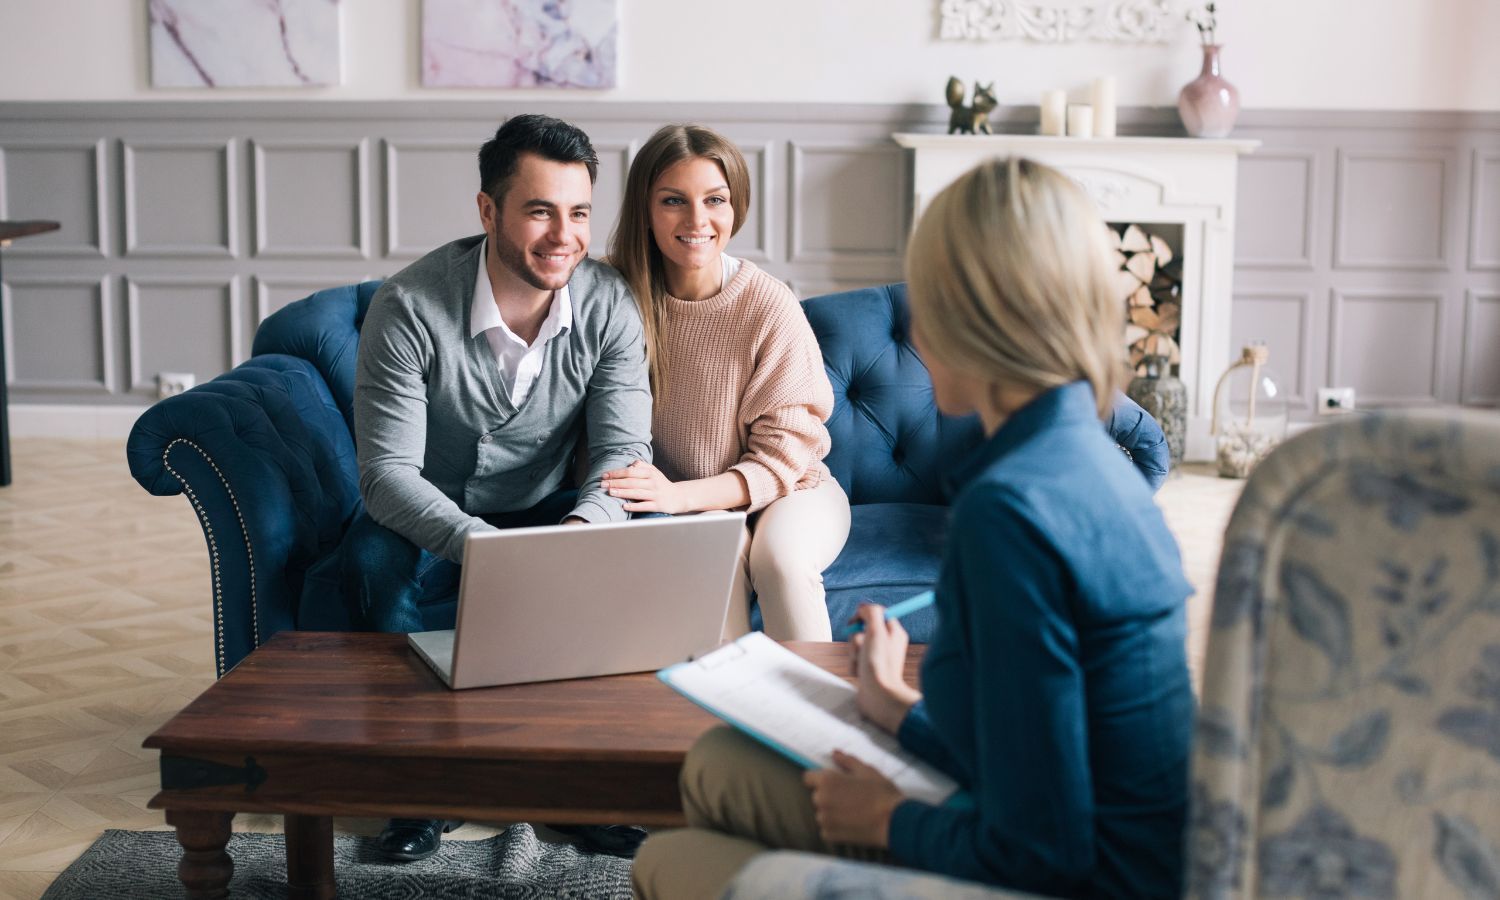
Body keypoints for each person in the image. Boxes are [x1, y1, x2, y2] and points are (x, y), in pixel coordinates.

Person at [632, 157, 1196, 899]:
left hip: (1089, 880)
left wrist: (887, 821)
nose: (917, 332)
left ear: (976, 314)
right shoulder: (1079, 456)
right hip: (1092, 840)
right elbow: (1040, 753)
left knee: (665, 864)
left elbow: (1046, 849)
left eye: (926, 299)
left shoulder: (1010, 512)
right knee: (717, 764)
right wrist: (899, 712)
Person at [346, 114, 652, 861]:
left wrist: (580, 536)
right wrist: (480, 547)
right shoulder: (410, 306)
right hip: (426, 513)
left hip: (551, 511)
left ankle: (576, 791)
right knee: (376, 581)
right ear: (488, 211)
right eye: (540, 210)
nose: (564, 236)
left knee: (609, 587)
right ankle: (418, 795)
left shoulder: (609, 304)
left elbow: (623, 452)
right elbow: (387, 475)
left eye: (578, 212)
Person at [603, 124, 849, 641]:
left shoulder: (766, 303)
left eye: (715, 200)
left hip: (791, 488)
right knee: (713, 559)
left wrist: (680, 497)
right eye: (674, 201)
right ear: (645, 210)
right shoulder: (613, 295)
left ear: (737, 207)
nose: (698, 220)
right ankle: (729, 712)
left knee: (780, 562)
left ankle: (818, 719)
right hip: (686, 500)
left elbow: (784, 460)